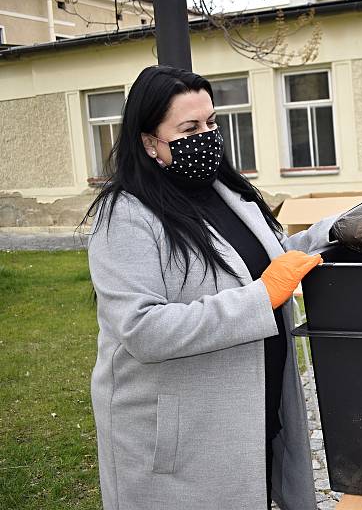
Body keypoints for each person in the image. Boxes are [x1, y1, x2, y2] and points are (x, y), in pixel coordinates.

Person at [82, 66, 334, 510]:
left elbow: (274, 259)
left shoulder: (226, 192)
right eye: (189, 128)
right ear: (148, 141)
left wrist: (348, 227)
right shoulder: (124, 215)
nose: (208, 135)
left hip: (253, 411)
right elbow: (142, 328)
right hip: (182, 439)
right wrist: (261, 298)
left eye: (212, 122)